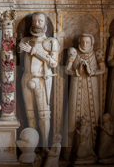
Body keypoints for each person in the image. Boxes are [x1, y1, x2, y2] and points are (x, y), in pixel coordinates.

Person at [19, 12, 59, 154]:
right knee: (30, 114)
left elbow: (54, 62)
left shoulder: (51, 42)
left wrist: (34, 51)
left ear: (46, 23)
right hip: (26, 79)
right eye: (35, 21)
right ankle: (33, 146)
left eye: (40, 21)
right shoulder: (25, 40)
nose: (37, 24)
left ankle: (45, 146)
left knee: (43, 114)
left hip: (42, 79)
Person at [66, 33, 105, 158]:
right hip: (77, 84)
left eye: (87, 42)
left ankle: (92, 148)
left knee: (93, 113)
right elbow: (67, 69)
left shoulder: (96, 53)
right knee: (73, 113)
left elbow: (103, 70)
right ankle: (71, 150)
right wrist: (76, 71)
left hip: (91, 86)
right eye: (83, 42)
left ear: (91, 43)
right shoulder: (74, 52)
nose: (85, 44)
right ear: (79, 43)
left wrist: (91, 71)